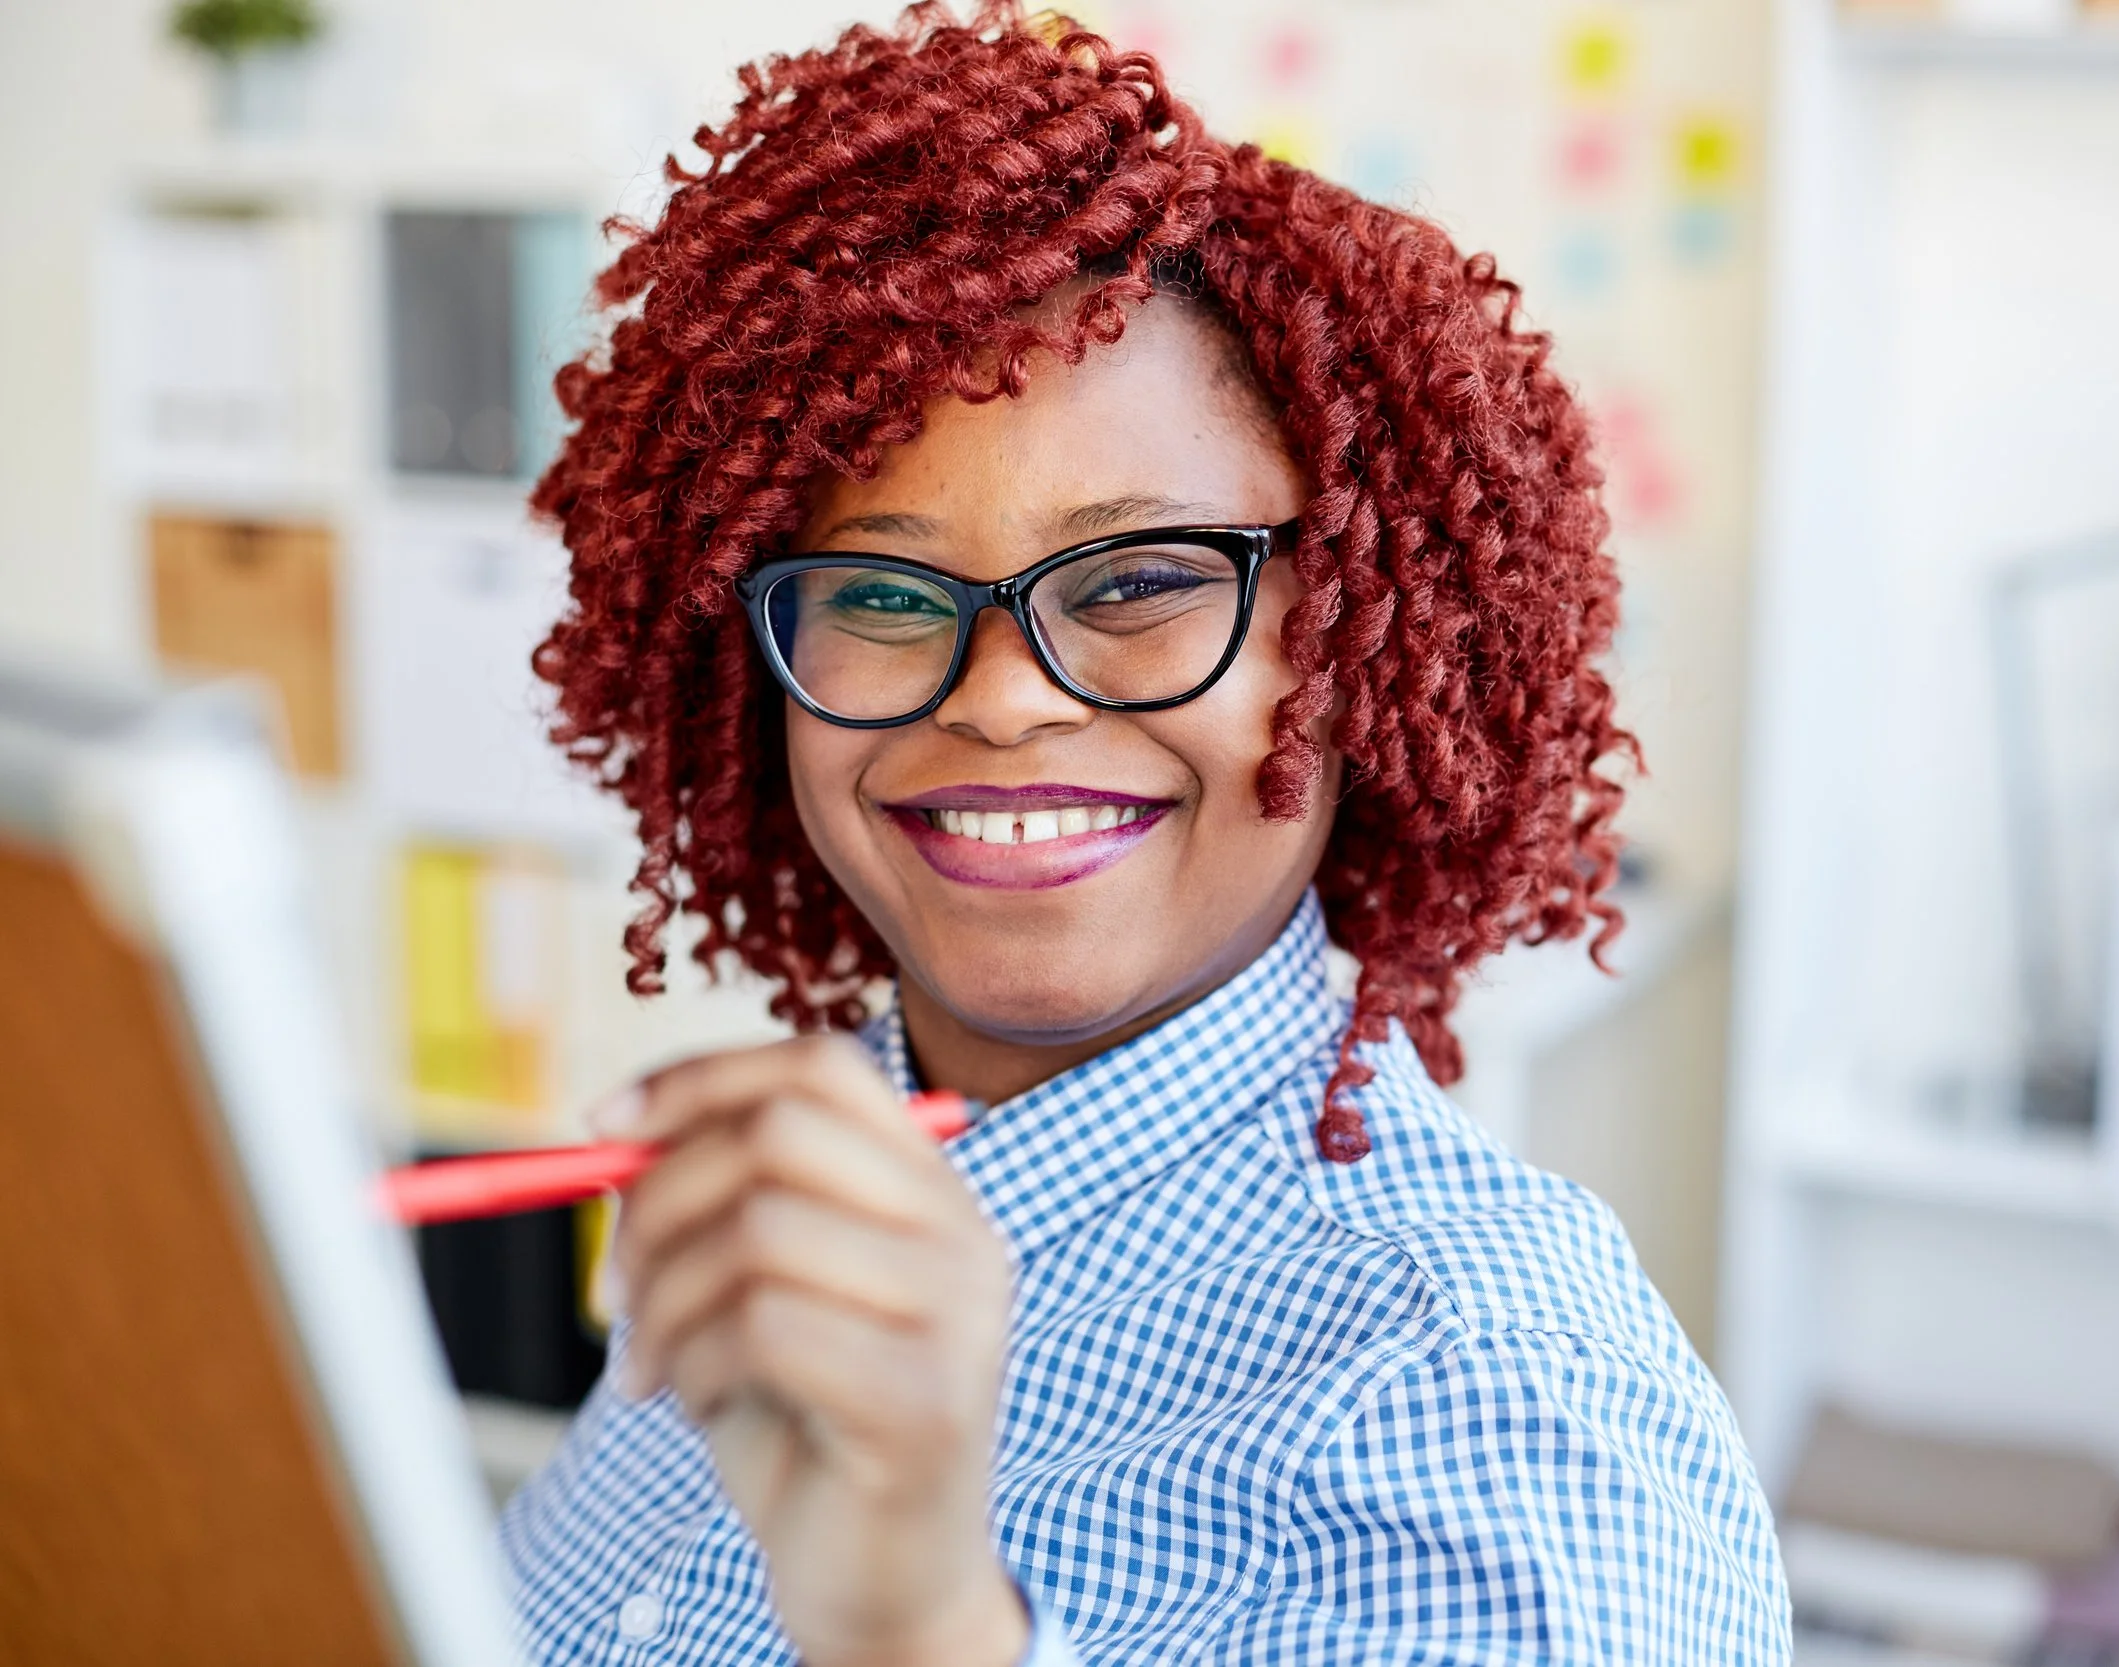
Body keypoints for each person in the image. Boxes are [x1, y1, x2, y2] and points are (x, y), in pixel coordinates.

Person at [500, 5, 1788, 1663]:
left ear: (1359, 638)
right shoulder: (756, 1232)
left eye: (1140, 581)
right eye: (882, 593)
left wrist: (920, 1618)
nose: (1002, 698)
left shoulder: (1503, 1412)